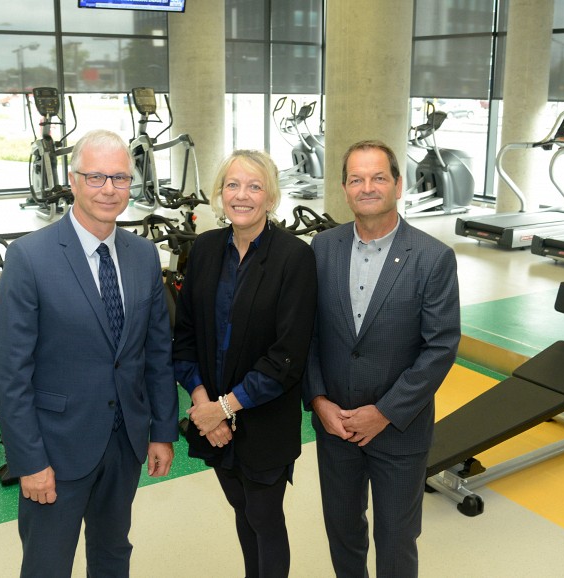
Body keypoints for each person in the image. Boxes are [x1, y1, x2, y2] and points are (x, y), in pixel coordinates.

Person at [0, 129, 178, 578]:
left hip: (125, 441)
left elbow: (156, 353)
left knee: (113, 553)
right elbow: (10, 373)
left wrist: (162, 431)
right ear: (72, 181)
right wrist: (29, 461)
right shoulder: (29, 258)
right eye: (95, 177)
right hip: (56, 448)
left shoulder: (144, 256)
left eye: (119, 178)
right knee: (47, 564)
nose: (109, 190)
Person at [303, 139, 460, 577]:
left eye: (378, 178)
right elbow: (308, 335)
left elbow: (441, 346)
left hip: (399, 432)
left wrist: (385, 412)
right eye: (356, 179)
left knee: (396, 538)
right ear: (344, 188)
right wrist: (318, 401)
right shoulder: (322, 248)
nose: (367, 187)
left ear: (397, 184)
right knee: (343, 531)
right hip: (334, 425)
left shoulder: (432, 258)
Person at [173, 149, 318, 578]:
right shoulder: (204, 250)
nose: (242, 195)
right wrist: (204, 406)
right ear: (220, 194)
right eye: (232, 185)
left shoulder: (294, 257)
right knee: (242, 510)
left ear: (271, 198)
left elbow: (287, 355)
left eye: (254, 186)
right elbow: (184, 336)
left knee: (264, 517)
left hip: (263, 418)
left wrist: (225, 408)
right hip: (211, 420)